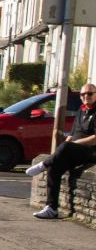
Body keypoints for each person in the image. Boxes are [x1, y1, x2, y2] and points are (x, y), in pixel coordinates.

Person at [29, 83, 96, 219]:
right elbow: (71, 134)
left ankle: (43, 164)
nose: (85, 97)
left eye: (89, 93)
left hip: (90, 152)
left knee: (66, 147)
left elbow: (95, 139)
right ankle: (51, 208)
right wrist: (65, 148)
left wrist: (71, 145)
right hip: (75, 151)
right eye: (82, 94)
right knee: (54, 167)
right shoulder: (81, 111)